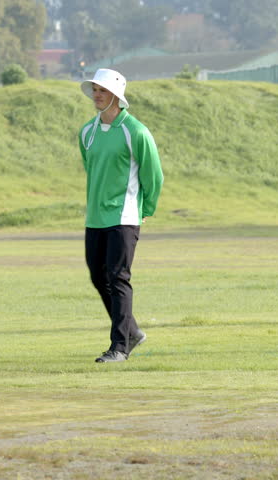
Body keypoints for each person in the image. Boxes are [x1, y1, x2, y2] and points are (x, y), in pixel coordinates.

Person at [78, 68, 164, 363]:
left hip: (125, 217)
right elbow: (92, 170)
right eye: (94, 91)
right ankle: (132, 330)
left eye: (101, 91)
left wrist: (145, 209)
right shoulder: (87, 133)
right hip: (95, 218)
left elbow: (154, 177)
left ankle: (120, 347)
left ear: (116, 95)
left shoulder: (135, 132)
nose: (96, 96)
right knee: (98, 276)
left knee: (117, 278)